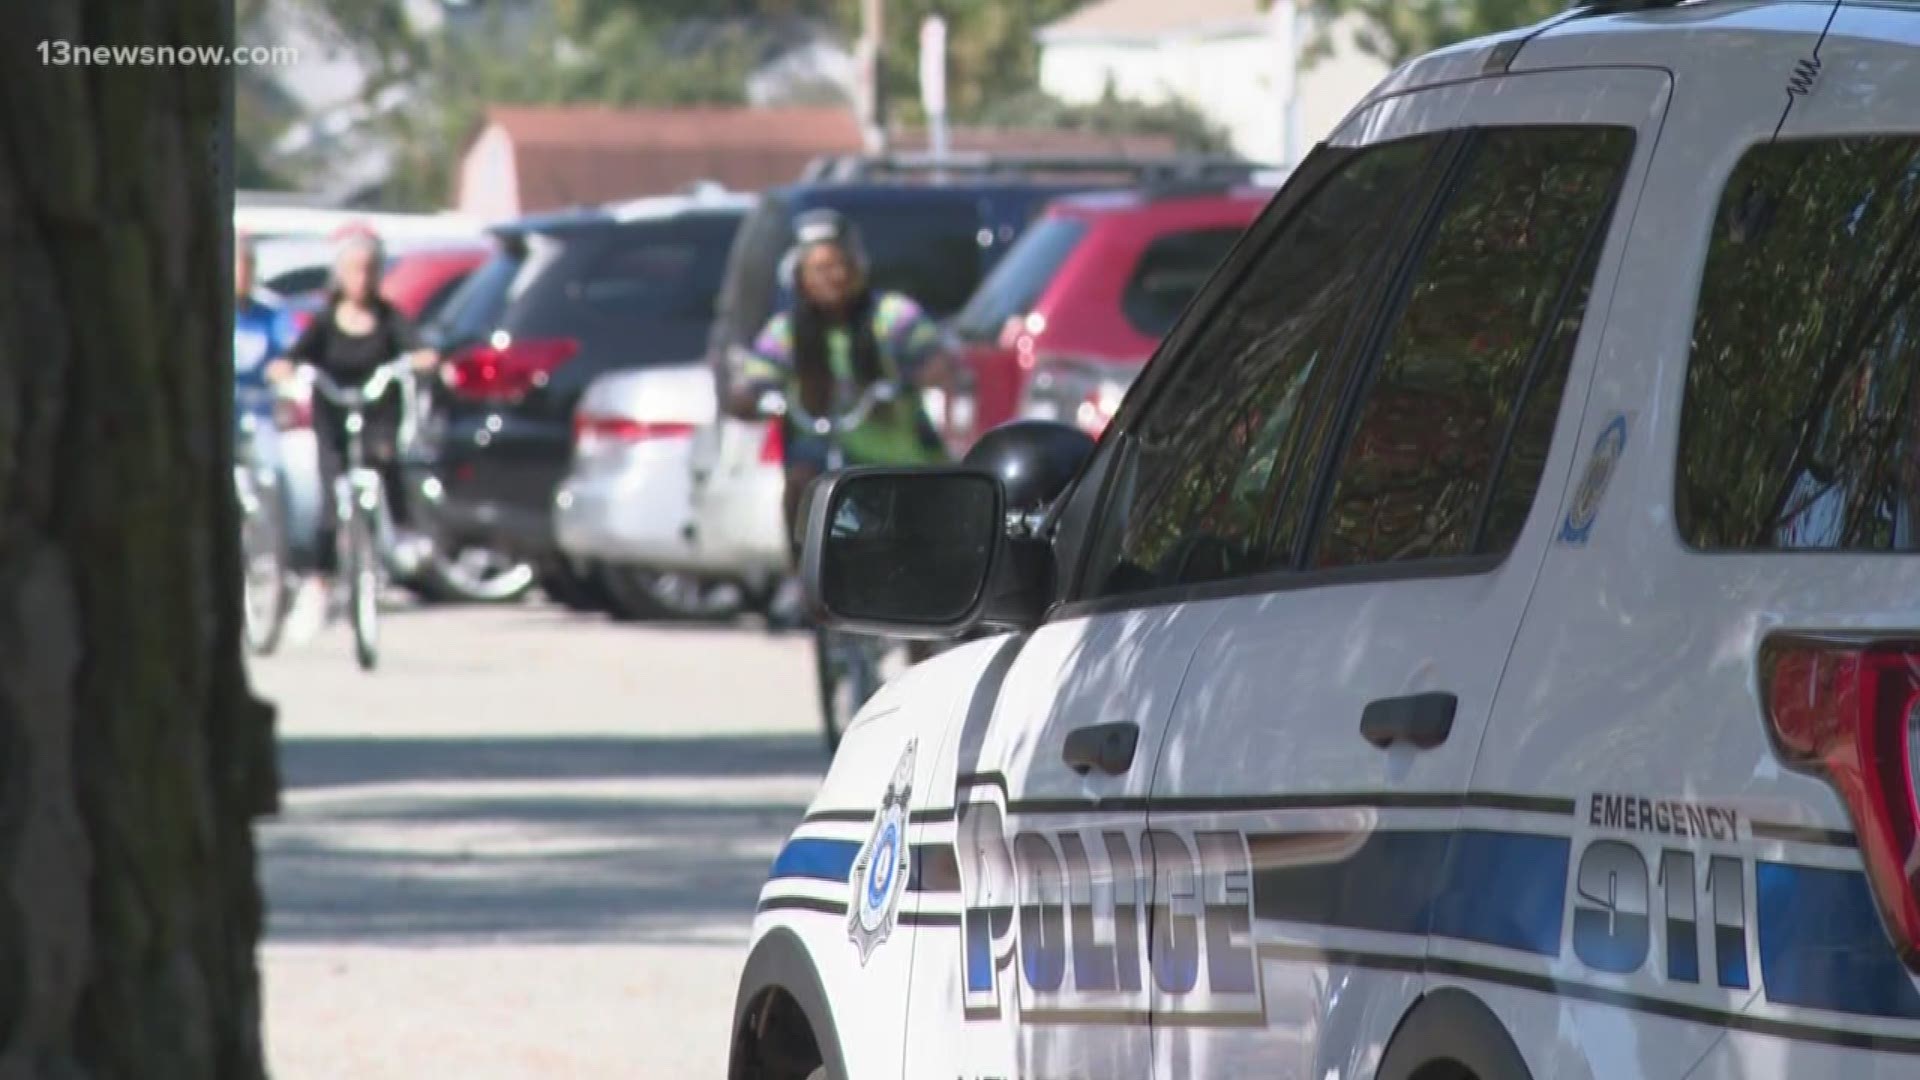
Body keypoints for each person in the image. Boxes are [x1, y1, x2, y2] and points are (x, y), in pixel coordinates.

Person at [728, 210, 956, 570]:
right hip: (821, 449)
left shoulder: (891, 315)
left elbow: (937, 359)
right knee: (800, 486)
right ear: (799, 276)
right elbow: (755, 378)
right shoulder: (787, 331)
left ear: (857, 267)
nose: (830, 278)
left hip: (896, 457)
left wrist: (912, 377)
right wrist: (754, 396)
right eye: (817, 269)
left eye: (838, 265)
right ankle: (804, 580)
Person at [265, 228, 437, 583]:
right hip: (333, 410)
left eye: (370, 269)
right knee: (331, 494)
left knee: (386, 462)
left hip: (377, 410)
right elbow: (295, 355)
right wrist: (285, 368)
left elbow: (418, 347)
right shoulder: (326, 321)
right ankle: (322, 575)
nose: (362, 279)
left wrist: (422, 359)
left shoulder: (388, 318)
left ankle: (401, 533)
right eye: (355, 270)